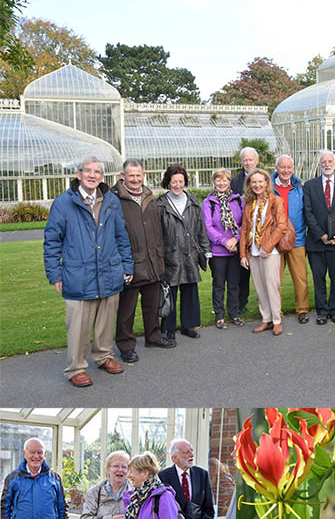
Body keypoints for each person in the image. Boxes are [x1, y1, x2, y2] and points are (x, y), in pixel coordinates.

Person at [44, 156, 133, 386]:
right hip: (78, 275)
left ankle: (104, 356)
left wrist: (127, 265)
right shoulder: (63, 203)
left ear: (102, 177)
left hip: (109, 271)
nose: (92, 175)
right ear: (79, 174)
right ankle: (76, 368)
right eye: (88, 171)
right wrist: (54, 274)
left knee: (106, 323)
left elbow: (121, 236)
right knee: (78, 327)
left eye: (97, 172)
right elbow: (52, 241)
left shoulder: (111, 200)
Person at [112, 159, 173, 362]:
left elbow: (158, 229)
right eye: (131, 175)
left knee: (152, 305)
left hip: (153, 261)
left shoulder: (149, 196)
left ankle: (153, 337)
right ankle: (126, 345)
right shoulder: (114, 199)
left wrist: (160, 256)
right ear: (123, 176)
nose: (135, 179)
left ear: (144, 175)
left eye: (138, 175)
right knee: (126, 310)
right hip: (130, 263)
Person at [156, 164, 211, 343]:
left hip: (190, 253)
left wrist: (206, 251)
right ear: (168, 182)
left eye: (181, 181)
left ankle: (189, 325)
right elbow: (157, 233)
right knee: (169, 293)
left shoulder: (193, 201)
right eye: (174, 181)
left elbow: (200, 229)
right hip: (169, 254)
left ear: (185, 182)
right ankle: (168, 328)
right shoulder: (160, 204)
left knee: (190, 291)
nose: (177, 185)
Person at [303, 150, 335, 325]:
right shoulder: (309, 186)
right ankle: (322, 312)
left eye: (330, 162)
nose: (327, 165)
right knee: (318, 279)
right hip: (316, 243)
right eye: (323, 162)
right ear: (319, 165)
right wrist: (321, 235)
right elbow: (308, 214)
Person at [1, 438, 68, 519]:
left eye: (40, 452)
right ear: (25, 453)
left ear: (44, 454)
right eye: (32, 452)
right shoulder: (13, 478)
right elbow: (4, 509)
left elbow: (62, 508)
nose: (36, 456)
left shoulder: (55, 478)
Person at [240, 168, 288, 335]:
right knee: (260, 289)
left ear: (266, 182)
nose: (257, 185)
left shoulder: (276, 201)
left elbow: (282, 226)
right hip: (253, 253)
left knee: (272, 287)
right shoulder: (249, 204)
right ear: (249, 184)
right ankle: (266, 320)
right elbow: (245, 229)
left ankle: (277, 321)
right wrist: (243, 254)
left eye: (260, 181)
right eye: (254, 182)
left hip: (270, 252)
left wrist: (267, 247)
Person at [202, 169, 244, 330]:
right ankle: (219, 316)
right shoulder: (209, 202)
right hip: (218, 251)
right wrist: (224, 241)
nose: (221, 183)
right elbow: (208, 227)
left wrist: (235, 239)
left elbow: (244, 223)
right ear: (214, 182)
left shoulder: (238, 200)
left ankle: (234, 313)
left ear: (229, 182)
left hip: (234, 250)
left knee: (234, 284)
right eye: (218, 180)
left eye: (225, 180)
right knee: (219, 285)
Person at [271, 155, 310, 324]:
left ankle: (302, 310)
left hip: (297, 239)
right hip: (274, 240)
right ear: (277, 168)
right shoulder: (268, 187)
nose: (285, 170)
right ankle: (275, 312)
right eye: (282, 167)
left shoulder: (300, 187)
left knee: (300, 278)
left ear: (293, 169)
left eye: (289, 167)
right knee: (274, 280)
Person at [230, 147, 261, 314]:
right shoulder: (235, 181)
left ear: (257, 161)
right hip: (242, 230)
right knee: (242, 271)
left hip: (261, 231)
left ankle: (266, 306)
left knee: (263, 272)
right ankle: (240, 304)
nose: (248, 163)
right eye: (245, 160)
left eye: (250, 159)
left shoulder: (264, 177)